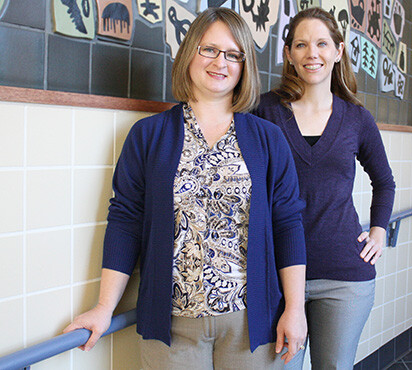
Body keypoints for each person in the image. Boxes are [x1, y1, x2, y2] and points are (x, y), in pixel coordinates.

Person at [64, 7, 307, 369]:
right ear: (189, 52)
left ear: (244, 66)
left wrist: (294, 308)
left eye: (233, 54)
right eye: (208, 49)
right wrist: (104, 307)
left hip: (251, 323)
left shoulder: (268, 139)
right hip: (172, 325)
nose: (219, 62)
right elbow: (126, 221)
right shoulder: (148, 135)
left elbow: (287, 223)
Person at [253, 7, 396, 369]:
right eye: (300, 44)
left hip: (344, 276)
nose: (311, 53)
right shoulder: (264, 111)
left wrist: (378, 232)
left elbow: (384, 181)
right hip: (278, 274)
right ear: (288, 54)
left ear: (338, 50)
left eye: (321, 44)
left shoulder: (357, 118)